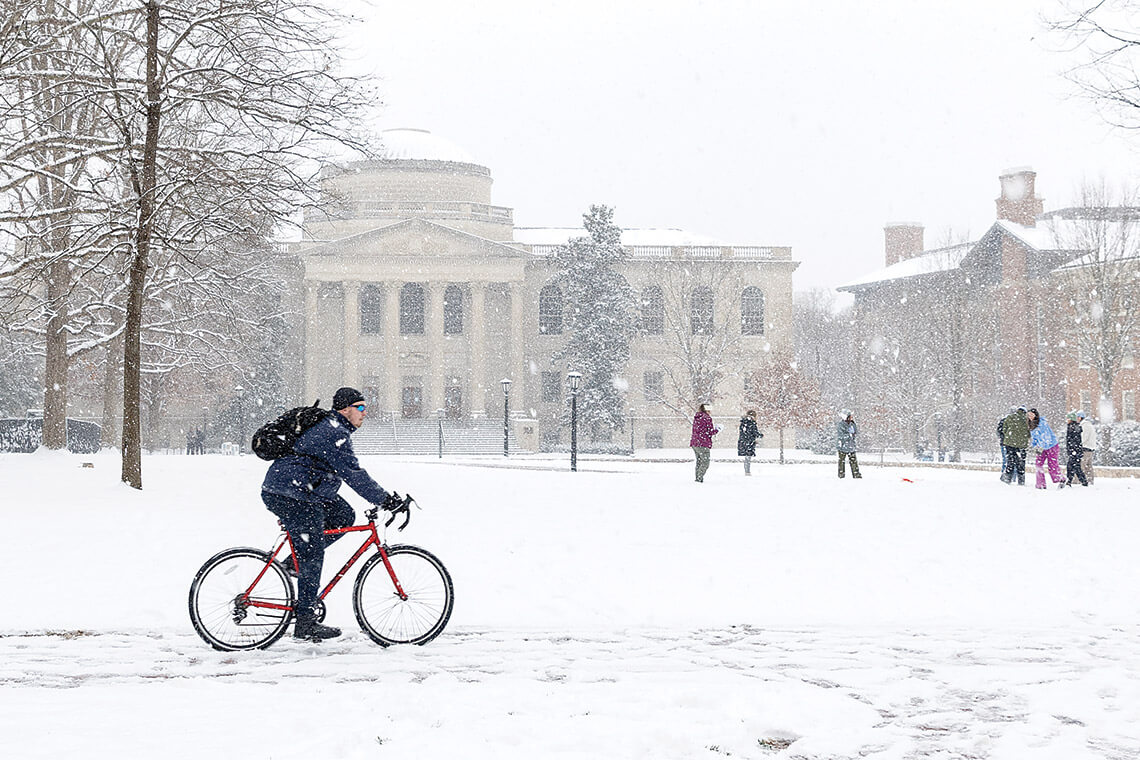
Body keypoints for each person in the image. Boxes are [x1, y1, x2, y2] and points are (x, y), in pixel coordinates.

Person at [261, 387, 393, 642]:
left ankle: (293, 563)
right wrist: (386, 499)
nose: (365, 413)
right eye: (361, 408)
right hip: (292, 492)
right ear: (345, 409)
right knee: (312, 553)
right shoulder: (333, 432)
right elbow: (353, 474)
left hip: (297, 488)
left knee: (343, 516)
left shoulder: (335, 428)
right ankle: (306, 621)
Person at [1027, 408, 1063, 489]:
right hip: (1041, 448)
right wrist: (1033, 446)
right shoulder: (1031, 425)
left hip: (1051, 446)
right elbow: (1035, 438)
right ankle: (1040, 484)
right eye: (1029, 415)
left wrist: (1041, 447)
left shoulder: (1042, 424)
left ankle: (1061, 479)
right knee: (1038, 464)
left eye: (1031, 415)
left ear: (1036, 415)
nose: (1030, 417)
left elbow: (1046, 438)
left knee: (1052, 465)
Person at [999, 406, 1029, 485]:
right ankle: (1021, 481)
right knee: (1021, 463)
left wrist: (1010, 437)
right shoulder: (1026, 420)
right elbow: (1029, 434)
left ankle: (1008, 479)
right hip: (1022, 445)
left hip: (1010, 444)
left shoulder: (1010, 417)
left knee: (1010, 461)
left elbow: (1004, 429)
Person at [689, 403, 719, 482]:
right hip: (703, 443)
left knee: (699, 462)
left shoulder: (697, 417)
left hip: (695, 442)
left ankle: (697, 478)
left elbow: (702, 430)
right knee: (705, 462)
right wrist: (718, 429)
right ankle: (699, 479)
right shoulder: (707, 418)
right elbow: (710, 432)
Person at [1063, 412, 1088, 487]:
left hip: (1074, 451)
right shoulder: (1074, 426)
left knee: (1071, 466)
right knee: (1076, 467)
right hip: (1075, 451)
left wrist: (1072, 450)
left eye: (1068, 418)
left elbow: (1073, 440)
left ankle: (1069, 481)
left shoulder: (1072, 427)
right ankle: (1083, 481)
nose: (1067, 420)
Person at [736, 410, 762, 476]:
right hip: (749, 442)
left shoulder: (743, 422)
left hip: (743, 441)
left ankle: (747, 471)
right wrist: (760, 435)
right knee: (748, 457)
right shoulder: (751, 423)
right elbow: (754, 432)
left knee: (747, 458)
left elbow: (744, 432)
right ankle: (747, 472)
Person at [836, 409, 861, 479]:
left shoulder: (852, 424)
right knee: (841, 462)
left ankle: (856, 474)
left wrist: (853, 434)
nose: (851, 418)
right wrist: (849, 435)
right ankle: (841, 475)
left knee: (853, 461)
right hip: (842, 447)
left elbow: (855, 432)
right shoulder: (841, 425)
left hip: (851, 446)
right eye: (850, 417)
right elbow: (841, 436)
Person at [1077, 411, 1097, 485]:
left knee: (1081, 466)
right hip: (1090, 448)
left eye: (1077, 417)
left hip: (1085, 448)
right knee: (1089, 466)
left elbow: (1084, 437)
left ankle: (1081, 481)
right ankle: (1090, 480)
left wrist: (1078, 444)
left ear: (1080, 417)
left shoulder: (1085, 425)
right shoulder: (1089, 425)